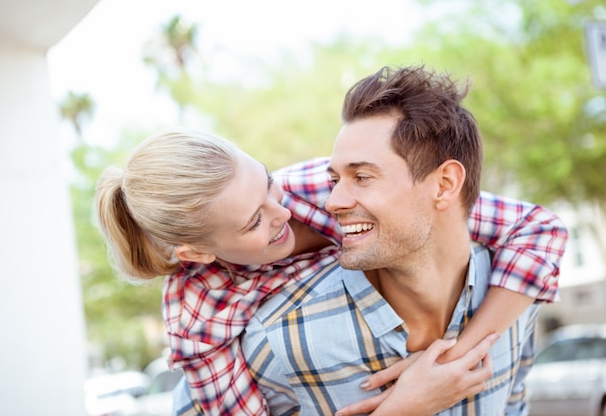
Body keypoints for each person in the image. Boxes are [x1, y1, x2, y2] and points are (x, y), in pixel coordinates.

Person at [95, 123, 566, 415]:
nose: (283, 214)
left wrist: (452, 359)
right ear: (197, 252)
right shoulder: (199, 313)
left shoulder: (324, 186)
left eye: (267, 184)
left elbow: (537, 228)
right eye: (255, 221)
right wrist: (405, 407)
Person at [239, 64, 562, 416]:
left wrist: (457, 358)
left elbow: (513, 405)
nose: (333, 202)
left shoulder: (515, 296)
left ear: (445, 184)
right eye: (334, 180)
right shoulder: (279, 337)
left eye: (361, 177)